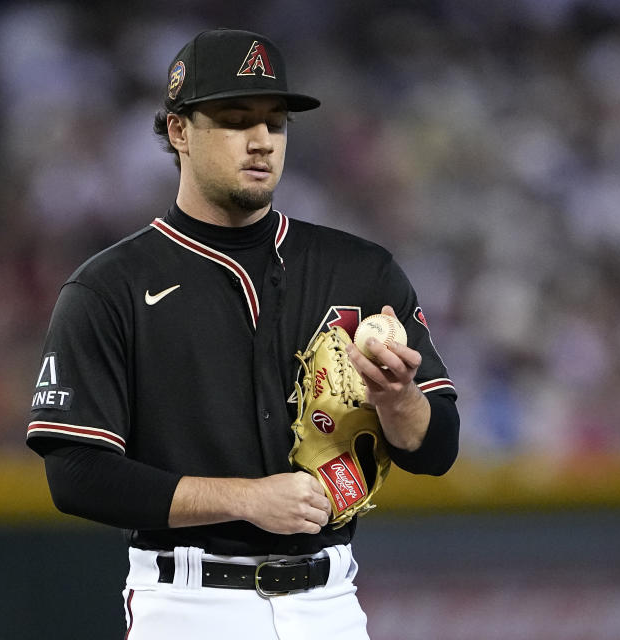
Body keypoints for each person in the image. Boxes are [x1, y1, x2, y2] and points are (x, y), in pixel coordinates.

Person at [26, 28, 459, 639]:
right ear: (178, 131)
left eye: (274, 123)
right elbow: (76, 475)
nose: (261, 141)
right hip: (188, 604)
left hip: (330, 603)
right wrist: (246, 499)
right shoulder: (110, 288)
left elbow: (438, 448)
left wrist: (398, 401)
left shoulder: (361, 271)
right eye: (234, 120)